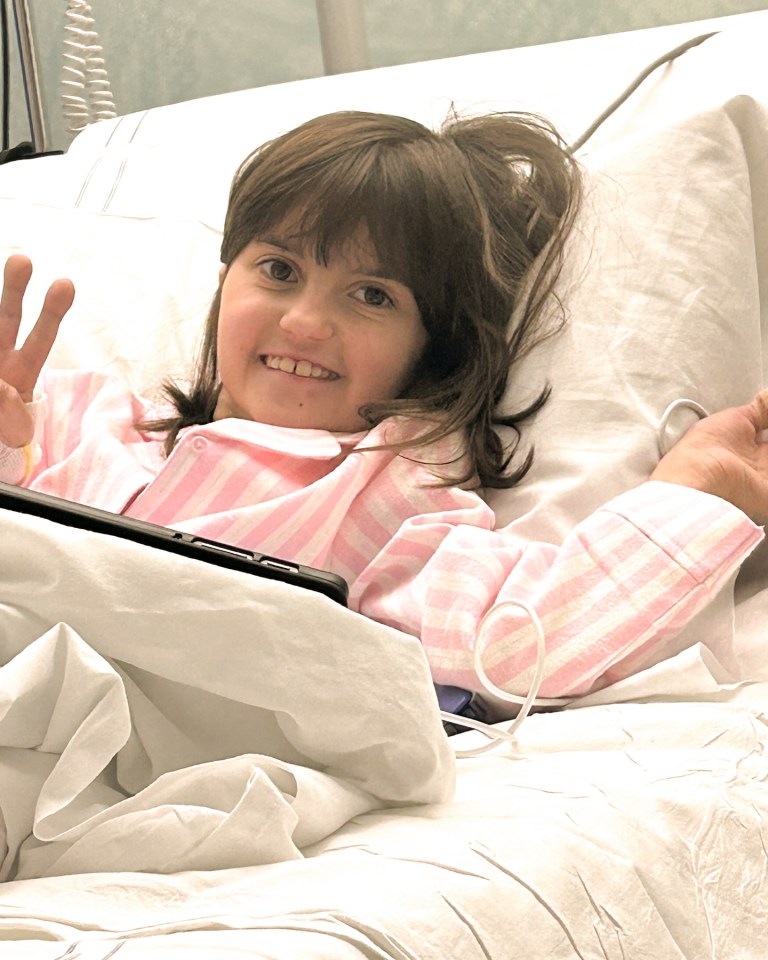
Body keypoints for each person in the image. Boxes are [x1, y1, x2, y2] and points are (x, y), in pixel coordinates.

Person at [0, 110, 765, 713]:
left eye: (373, 296)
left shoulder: (376, 496)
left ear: (429, 348)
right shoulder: (68, 419)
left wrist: (693, 489)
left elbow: (524, 640)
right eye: (279, 269)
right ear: (226, 277)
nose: (305, 320)